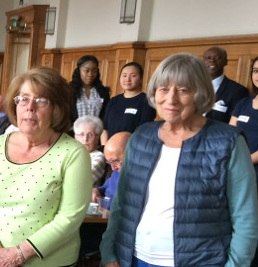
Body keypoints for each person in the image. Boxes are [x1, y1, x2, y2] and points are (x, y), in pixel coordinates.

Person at [100, 53, 258, 267]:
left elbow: (245, 216)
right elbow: (122, 202)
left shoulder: (228, 142)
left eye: (183, 90)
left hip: (201, 261)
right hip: (135, 259)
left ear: (200, 93)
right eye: (163, 89)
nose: (171, 99)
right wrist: (109, 252)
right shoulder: (140, 136)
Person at [0, 66, 91, 267]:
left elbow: (69, 217)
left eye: (41, 100)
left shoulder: (73, 154)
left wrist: (16, 255)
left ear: (57, 108)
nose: (29, 107)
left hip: (47, 263)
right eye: (23, 99)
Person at [100, 62, 155, 145]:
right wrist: (105, 148)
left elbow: (143, 131)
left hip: (132, 148)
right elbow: (105, 128)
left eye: (133, 76)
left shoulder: (146, 101)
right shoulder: (113, 100)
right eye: (124, 75)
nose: (127, 79)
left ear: (141, 79)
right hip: (110, 151)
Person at [204, 46, 249, 123]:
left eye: (217, 58)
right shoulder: (193, 86)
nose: (212, 60)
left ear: (225, 62)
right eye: (208, 58)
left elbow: (234, 124)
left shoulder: (238, 91)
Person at [230, 56, 258, 174]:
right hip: (237, 167)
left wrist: (244, 163)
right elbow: (230, 132)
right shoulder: (244, 103)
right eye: (256, 71)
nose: (257, 76)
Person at [91, 132, 130, 210]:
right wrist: (96, 190)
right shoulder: (117, 172)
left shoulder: (138, 178)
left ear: (131, 153)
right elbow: (105, 187)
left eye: (116, 161)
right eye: (109, 162)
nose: (112, 168)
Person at [70, 55, 110, 123]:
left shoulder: (103, 92)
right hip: (74, 132)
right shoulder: (69, 90)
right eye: (87, 70)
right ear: (79, 71)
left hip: (97, 132)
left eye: (94, 71)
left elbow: (106, 115)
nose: (90, 74)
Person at [74, 115, 106, 187]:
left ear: (97, 138)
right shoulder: (69, 153)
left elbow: (82, 180)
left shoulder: (98, 156)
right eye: (81, 134)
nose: (85, 139)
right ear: (75, 137)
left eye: (90, 135)